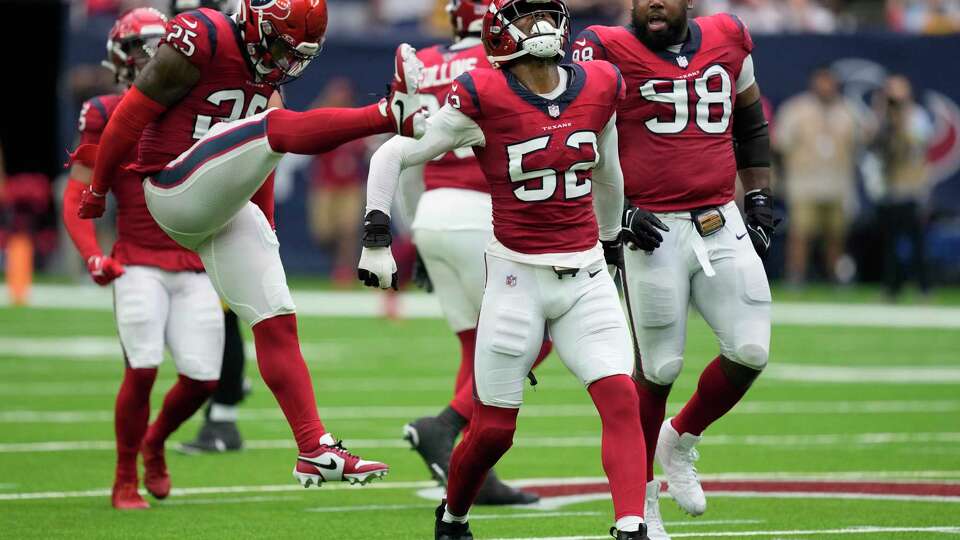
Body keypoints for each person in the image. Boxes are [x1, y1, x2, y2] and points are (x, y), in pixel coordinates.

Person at [77, 0, 425, 488]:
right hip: (171, 188)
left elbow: (255, 164)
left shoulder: (264, 68)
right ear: (258, 22)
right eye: (283, 46)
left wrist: (269, 230)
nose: (287, 61)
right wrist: (98, 190)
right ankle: (388, 113)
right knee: (272, 125)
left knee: (277, 318)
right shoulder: (204, 35)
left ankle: (314, 447)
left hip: (219, 204)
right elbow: (130, 116)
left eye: (297, 52)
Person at [359, 1, 650, 538]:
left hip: (584, 272)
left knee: (620, 398)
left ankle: (630, 525)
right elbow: (391, 156)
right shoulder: (480, 93)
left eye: (543, 15)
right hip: (516, 277)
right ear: (496, 33)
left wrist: (610, 244)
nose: (538, 28)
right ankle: (454, 515)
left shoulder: (601, 81)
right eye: (523, 17)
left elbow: (608, 173)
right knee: (494, 430)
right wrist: (378, 236)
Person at [575, 2, 774, 538]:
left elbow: (751, 121)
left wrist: (757, 194)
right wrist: (615, 213)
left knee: (751, 350)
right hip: (650, 227)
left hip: (718, 216)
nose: (652, 3)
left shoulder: (730, 35)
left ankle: (679, 439)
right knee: (658, 368)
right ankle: (641, 504)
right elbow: (576, 132)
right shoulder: (603, 46)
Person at [63, 7, 225, 510]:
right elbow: (77, 194)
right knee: (144, 368)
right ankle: (123, 477)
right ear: (120, 58)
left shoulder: (199, 107)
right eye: (143, 48)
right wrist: (92, 255)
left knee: (203, 378)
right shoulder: (107, 111)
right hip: (136, 260)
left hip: (193, 261)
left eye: (162, 45)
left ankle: (154, 443)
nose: (154, 56)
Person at [396, 0, 544, 506]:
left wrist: (415, 230)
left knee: (473, 346)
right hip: (483, 212)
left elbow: (406, 158)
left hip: (432, 210)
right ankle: (446, 426)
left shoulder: (424, 63)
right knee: (531, 335)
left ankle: (474, 470)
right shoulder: (498, 66)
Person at [776, 67, 859, 285]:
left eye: (829, 81)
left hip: (837, 183)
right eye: (821, 81)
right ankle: (796, 276)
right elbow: (780, 143)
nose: (825, 86)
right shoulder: (796, 109)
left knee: (836, 236)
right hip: (805, 183)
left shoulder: (848, 110)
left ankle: (837, 277)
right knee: (801, 234)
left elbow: (863, 141)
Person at [872, 74, 933, 299]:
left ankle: (924, 287)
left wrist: (901, 121)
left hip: (912, 188)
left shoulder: (916, 116)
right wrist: (882, 114)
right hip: (890, 189)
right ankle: (890, 288)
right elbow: (874, 147)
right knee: (890, 243)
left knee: (917, 242)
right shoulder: (881, 118)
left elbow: (917, 147)